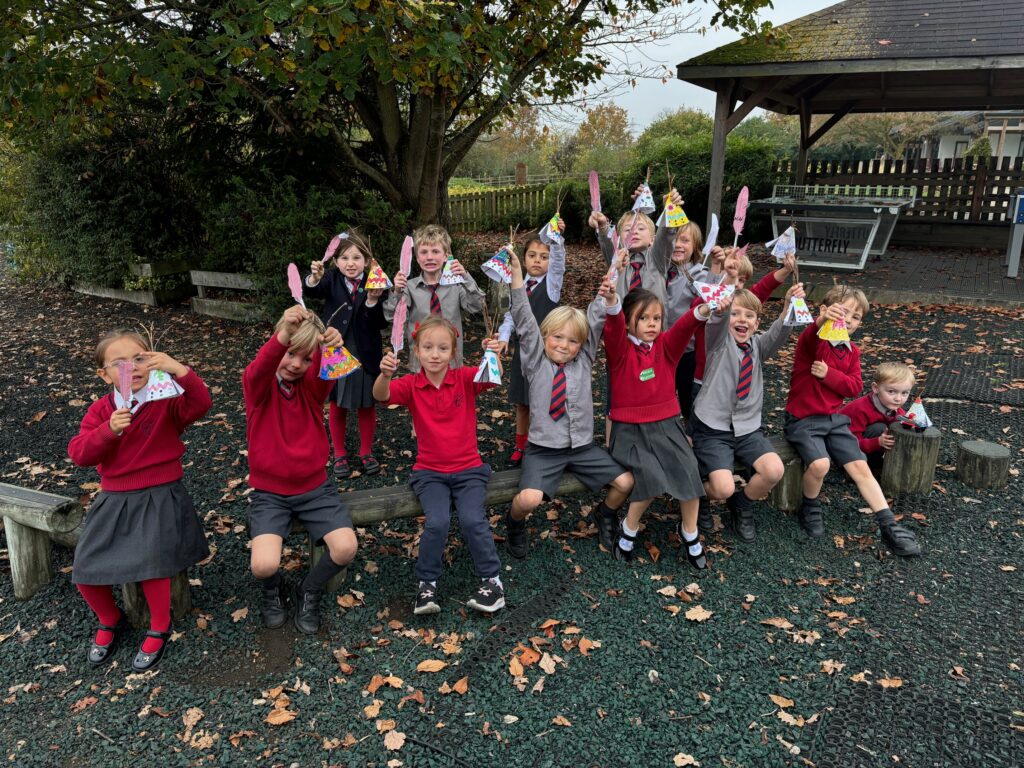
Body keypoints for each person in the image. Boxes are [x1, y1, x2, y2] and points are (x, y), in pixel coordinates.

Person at [68, 330, 212, 671]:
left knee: (152, 562)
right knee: (85, 567)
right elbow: (79, 453)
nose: (130, 367)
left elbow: (201, 404)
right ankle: (109, 618)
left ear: (151, 361)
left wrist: (179, 369)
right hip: (115, 496)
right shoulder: (102, 410)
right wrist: (109, 430)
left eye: (138, 358)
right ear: (104, 374)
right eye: (118, 363)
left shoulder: (166, 398)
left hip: (161, 494)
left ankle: (159, 625)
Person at [503, 248, 634, 559]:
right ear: (545, 336)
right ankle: (513, 523)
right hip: (544, 449)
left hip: (582, 448)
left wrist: (614, 272)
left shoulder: (584, 360)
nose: (564, 345)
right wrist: (518, 275)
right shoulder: (535, 359)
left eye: (573, 341)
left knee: (626, 482)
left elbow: (597, 316)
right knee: (529, 499)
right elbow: (523, 315)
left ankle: (604, 513)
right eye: (558, 338)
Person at [373, 317, 506, 615]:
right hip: (430, 473)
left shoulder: (464, 378)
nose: (435, 354)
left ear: (453, 353)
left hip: (469, 470)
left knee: (473, 519)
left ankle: (492, 581)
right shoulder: (410, 384)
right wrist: (384, 375)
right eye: (428, 347)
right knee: (437, 522)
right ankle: (427, 584)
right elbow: (380, 395)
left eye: (443, 348)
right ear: (417, 351)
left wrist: (493, 353)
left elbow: (493, 377)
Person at [243, 307, 358, 634]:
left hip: (315, 490)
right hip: (271, 495)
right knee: (263, 565)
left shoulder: (310, 389)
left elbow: (324, 374)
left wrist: (332, 346)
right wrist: (283, 337)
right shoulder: (259, 390)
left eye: (306, 359)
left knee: (346, 546)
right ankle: (273, 588)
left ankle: (308, 589)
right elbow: (259, 369)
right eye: (291, 354)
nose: (296, 364)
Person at [783, 287, 921, 556]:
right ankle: (810, 505)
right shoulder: (815, 343)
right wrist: (822, 321)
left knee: (860, 465)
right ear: (825, 310)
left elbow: (854, 387)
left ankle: (888, 524)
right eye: (842, 311)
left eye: (855, 316)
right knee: (821, 464)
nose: (847, 319)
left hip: (834, 420)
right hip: (803, 419)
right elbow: (810, 336)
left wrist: (828, 374)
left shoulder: (852, 351)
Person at [603, 286, 715, 566]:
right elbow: (613, 329)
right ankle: (628, 528)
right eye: (643, 318)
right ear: (629, 320)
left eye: (656, 318)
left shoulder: (666, 346)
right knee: (651, 476)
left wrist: (705, 308)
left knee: (689, 468)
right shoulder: (620, 352)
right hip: (630, 432)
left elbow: (686, 325)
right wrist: (612, 302)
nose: (652, 324)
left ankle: (689, 531)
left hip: (667, 426)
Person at [690, 247, 796, 531]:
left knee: (774, 469)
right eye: (736, 314)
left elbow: (778, 332)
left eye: (749, 316)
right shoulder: (717, 342)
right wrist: (726, 284)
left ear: (756, 323)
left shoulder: (757, 347)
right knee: (722, 488)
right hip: (714, 427)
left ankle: (743, 503)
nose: (742, 320)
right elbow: (716, 318)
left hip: (747, 429)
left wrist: (787, 307)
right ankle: (699, 496)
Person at [305, 230, 388, 478]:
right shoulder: (330, 278)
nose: (350, 263)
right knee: (337, 403)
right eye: (344, 258)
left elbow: (381, 322)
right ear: (335, 261)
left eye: (356, 258)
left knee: (366, 403)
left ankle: (365, 451)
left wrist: (373, 301)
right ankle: (339, 453)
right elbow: (312, 290)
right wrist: (313, 277)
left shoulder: (375, 281)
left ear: (366, 260)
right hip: (336, 349)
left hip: (365, 352)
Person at [495, 223, 566, 467]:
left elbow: (559, 264)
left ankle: (542, 446)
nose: (537, 261)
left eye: (544, 257)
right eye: (532, 255)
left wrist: (556, 240)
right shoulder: (519, 286)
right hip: (522, 356)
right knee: (523, 403)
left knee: (543, 403)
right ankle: (520, 445)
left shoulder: (552, 286)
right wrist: (504, 337)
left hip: (546, 357)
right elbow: (510, 316)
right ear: (523, 259)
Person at [384, 223, 484, 373]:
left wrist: (465, 277)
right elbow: (392, 317)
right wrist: (396, 291)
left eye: (435, 251)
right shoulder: (409, 287)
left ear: (445, 256)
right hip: (420, 363)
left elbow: (477, 305)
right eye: (424, 252)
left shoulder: (456, 285)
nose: (429, 257)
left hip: (451, 361)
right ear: (417, 258)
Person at [663, 218, 712, 420]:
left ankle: (693, 435)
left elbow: (709, 298)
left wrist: (717, 271)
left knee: (687, 396)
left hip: (687, 351)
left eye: (685, 240)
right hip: (661, 347)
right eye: (674, 239)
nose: (678, 244)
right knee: (663, 394)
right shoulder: (660, 271)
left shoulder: (699, 275)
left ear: (696, 247)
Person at [841, 362, 916, 478]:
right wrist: (877, 442)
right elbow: (848, 443)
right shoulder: (860, 409)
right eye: (891, 391)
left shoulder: (894, 408)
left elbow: (901, 421)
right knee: (879, 428)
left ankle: (878, 466)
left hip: (865, 446)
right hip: (843, 451)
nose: (898, 398)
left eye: (905, 393)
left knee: (898, 427)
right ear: (876, 388)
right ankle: (857, 470)